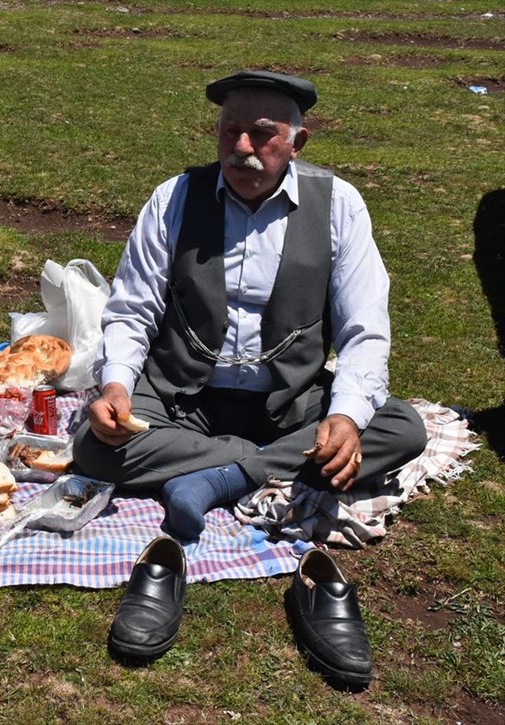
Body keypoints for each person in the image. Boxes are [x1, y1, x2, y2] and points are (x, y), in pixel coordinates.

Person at [76, 70, 428, 686]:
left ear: (298, 142)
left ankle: (215, 476)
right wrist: (117, 386)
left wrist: (344, 416)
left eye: (262, 133)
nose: (242, 147)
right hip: (183, 394)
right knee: (91, 445)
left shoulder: (338, 204)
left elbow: (365, 329)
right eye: (229, 131)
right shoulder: (175, 197)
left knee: (401, 426)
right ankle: (252, 466)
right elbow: (132, 309)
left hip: (289, 401)